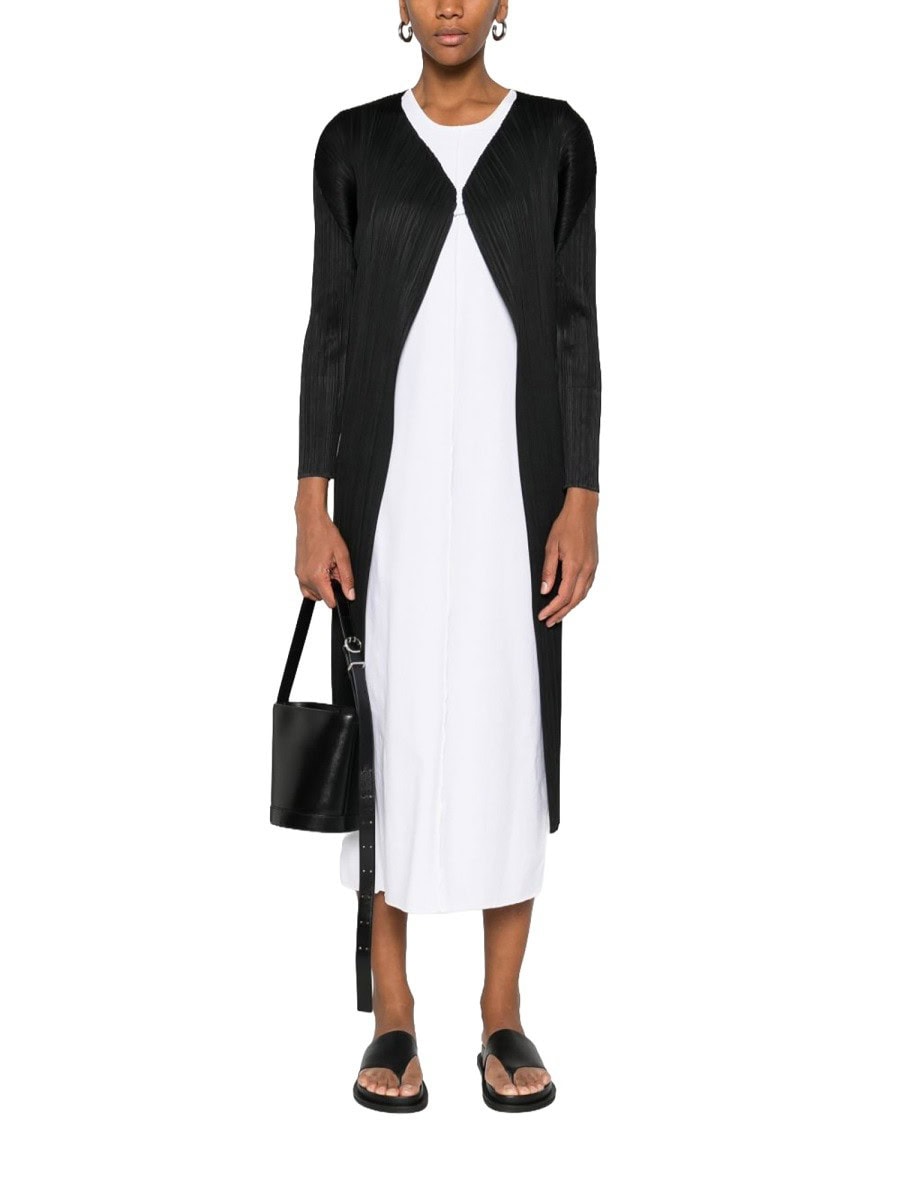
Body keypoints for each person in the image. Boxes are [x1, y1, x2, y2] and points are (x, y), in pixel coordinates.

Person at [293, 0, 601, 1113]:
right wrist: (311, 503)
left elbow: (574, 321)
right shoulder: (354, 143)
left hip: (520, 496)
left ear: (505, 4)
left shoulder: (556, 138)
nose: (451, 5)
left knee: (508, 734)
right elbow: (331, 324)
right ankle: (393, 1012)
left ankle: (501, 1010)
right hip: (388, 497)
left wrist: (582, 499)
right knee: (392, 732)